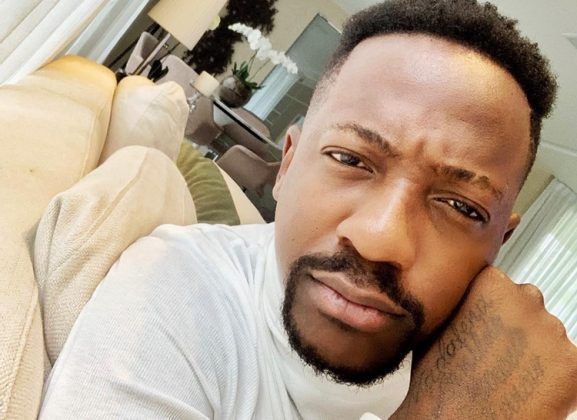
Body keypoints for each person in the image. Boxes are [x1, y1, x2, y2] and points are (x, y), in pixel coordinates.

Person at [40, 0, 577, 418]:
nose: (380, 238)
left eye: (461, 207)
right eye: (350, 159)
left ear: (499, 246)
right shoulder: (175, 294)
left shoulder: (503, 367)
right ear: (288, 165)